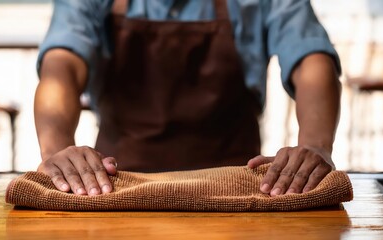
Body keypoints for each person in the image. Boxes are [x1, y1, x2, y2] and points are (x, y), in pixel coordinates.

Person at [34, 0, 341, 197]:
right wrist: (57, 152)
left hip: (238, 193)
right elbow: (61, 66)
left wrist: (315, 144)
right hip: (115, 190)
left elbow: (311, 61)